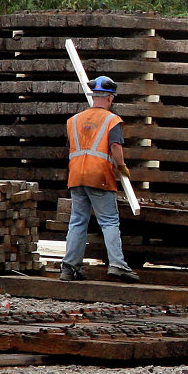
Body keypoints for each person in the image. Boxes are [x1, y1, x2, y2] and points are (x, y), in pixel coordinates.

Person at [62, 75, 140, 283]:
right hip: (100, 176)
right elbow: (115, 147)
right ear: (109, 98)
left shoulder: (73, 121)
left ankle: (69, 267)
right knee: (109, 221)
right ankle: (117, 264)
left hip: (76, 175)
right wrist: (122, 166)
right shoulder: (112, 120)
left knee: (78, 221)